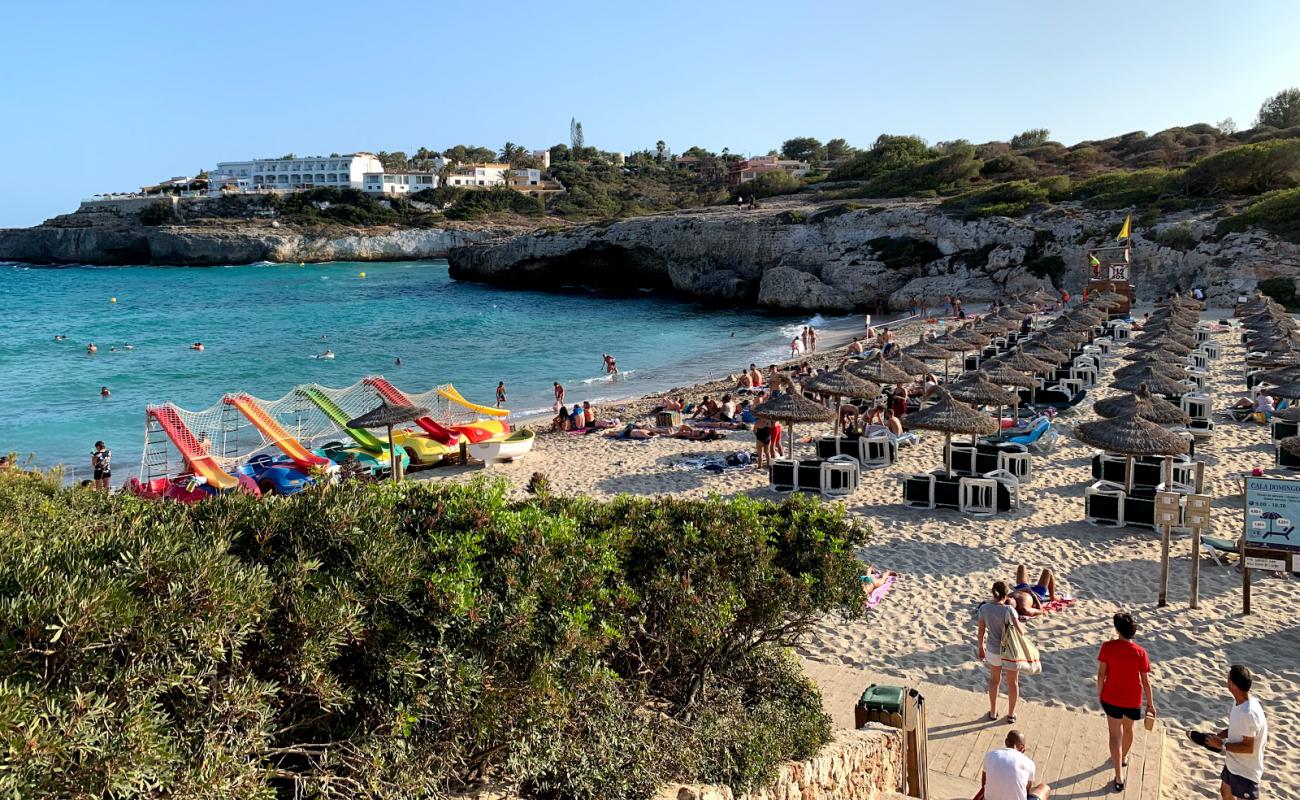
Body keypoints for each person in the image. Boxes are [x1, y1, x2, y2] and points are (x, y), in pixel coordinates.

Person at [1097, 612, 1155, 792]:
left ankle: (1118, 776)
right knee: (1128, 730)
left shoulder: (1107, 647)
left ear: (1117, 629)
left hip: (1111, 696)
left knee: (1115, 735)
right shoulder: (1140, 652)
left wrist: (1100, 694)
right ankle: (1122, 759)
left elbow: (1101, 675)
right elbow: (1146, 681)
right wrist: (1150, 704)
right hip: (1132, 699)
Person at [1193, 665, 1268, 800]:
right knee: (1225, 792)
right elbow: (1238, 728)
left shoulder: (1248, 713)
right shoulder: (1240, 702)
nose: (1226, 680)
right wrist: (1222, 734)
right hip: (1234, 764)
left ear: (1232, 684)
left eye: (1228, 678)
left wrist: (1221, 745)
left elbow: (1248, 747)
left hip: (1246, 772)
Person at [977, 580, 1025, 722]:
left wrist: (981, 647)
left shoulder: (984, 609)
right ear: (1006, 594)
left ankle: (993, 712)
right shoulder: (1009, 610)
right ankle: (1011, 715)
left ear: (993, 593)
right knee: (1012, 682)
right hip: (1009, 650)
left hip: (993, 649)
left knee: (994, 680)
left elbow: (981, 632)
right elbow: (1020, 631)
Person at [981, 730, 1051, 800]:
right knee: (1044, 788)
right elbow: (1026, 791)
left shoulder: (990, 755)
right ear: (1022, 747)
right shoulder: (1029, 763)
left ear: (1006, 742)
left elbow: (984, 782)